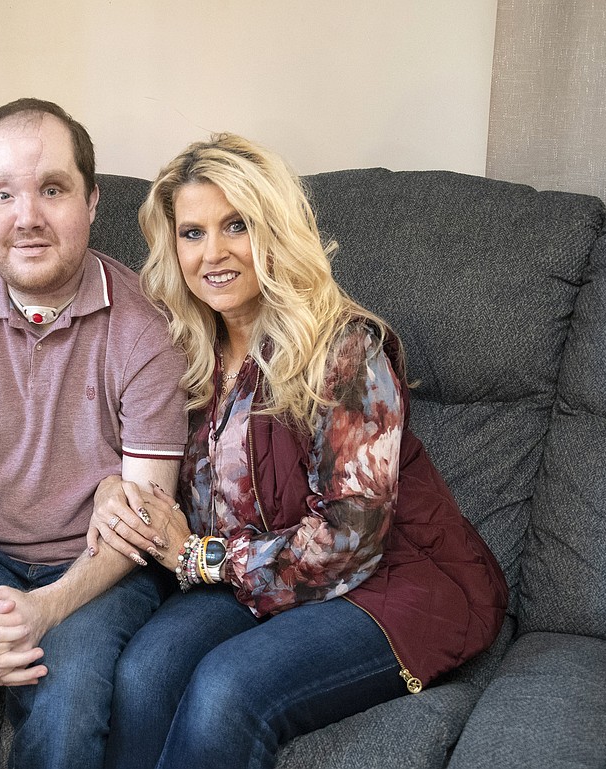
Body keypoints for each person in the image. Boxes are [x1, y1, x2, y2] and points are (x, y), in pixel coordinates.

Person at [90, 133, 509, 769]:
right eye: (193, 233)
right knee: (145, 673)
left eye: (237, 225)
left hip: (384, 582)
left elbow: (352, 537)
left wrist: (201, 557)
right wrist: (110, 489)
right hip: (243, 580)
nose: (215, 253)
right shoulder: (183, 355)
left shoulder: (343, 350)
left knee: (228, 690)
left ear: (274, 232)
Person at [0, 98, 188, 769]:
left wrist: (46, 607)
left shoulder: (146, 326)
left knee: (71, 699)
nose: (28, 218)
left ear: (92, 201)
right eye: (4, 194)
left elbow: (143, 516)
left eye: (53, 189)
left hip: (100, 565)